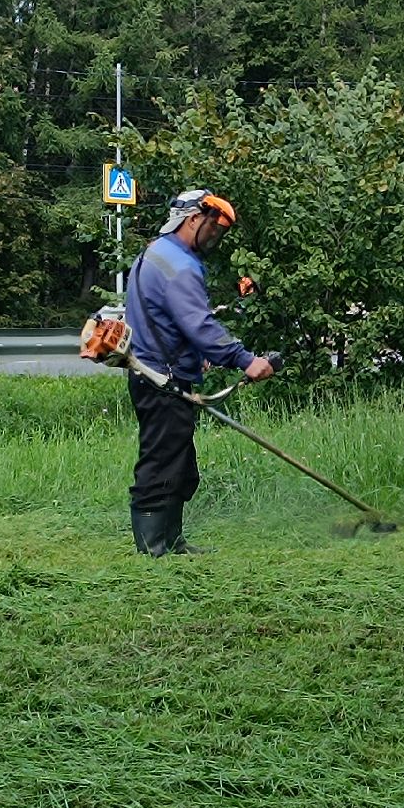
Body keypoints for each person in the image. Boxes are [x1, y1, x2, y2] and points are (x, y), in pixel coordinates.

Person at [123, 189, 274, 556]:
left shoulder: (155, 254)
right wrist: (245, 360)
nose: (215, 238)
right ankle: (152, 550)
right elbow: (200, 325)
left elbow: (162, 319)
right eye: (213, 229)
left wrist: (192, 353)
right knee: (160, 462)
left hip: (156, 373)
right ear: (192, 219)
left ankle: (171, 542)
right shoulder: (180, 266)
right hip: (162, 380)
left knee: (179, 462)